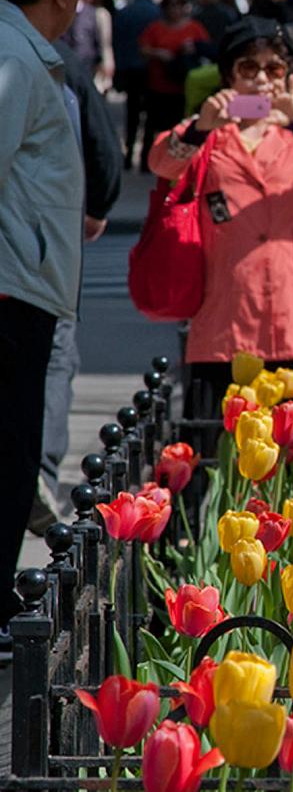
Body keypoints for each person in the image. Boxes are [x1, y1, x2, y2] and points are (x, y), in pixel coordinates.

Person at [147, 17, 293, 420]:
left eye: (274, 68)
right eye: (249, 68)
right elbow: (161, 161)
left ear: (287, 76)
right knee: (218, 451)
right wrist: (200, 127)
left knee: (289, 454)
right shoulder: (210, 134)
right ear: (229, 75)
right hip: (226, 315)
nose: (262, 80)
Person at [0, 0, 86, 630]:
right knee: (9, 449)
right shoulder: (15, 58)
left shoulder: (21, 52)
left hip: (21, 280)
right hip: (11, 289)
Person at [32, 37, 123, 533]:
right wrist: (98, 206)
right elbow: (103, 146)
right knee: (53, 352)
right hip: (49, 240)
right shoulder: (56, 61)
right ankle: (38, 472)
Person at [139, 0, 209, 172]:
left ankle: (175, 161)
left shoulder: (194, 28)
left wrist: (192, 49)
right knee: (153, 124)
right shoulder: (155, 28)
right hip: (158, 84)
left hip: (183, 86)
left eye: (179, 5)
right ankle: (148, 160)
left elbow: (206, 51)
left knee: (179, 126)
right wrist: (158, 53)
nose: (175, 10)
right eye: (171, 5)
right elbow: (143, 49)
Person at [112, 0, 159, 170]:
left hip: (129, 67)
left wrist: (118, 67)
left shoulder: (125, 12)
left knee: (131, 112)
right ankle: (146, 157)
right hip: (150, 69)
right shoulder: (156, 12)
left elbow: (116, 42)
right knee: (150, 113)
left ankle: (129, 153)